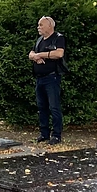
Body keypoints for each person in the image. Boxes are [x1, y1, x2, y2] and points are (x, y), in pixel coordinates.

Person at [29, 16, 66, 145]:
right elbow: (31, 53)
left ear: (49, 25)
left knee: (54, 106)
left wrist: (41, 55)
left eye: (41, 25)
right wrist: (35, 57)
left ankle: (56, 135)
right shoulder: (39, 40)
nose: (38, 27)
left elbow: (59, 54)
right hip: (40, 78)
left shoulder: (58, 38)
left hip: (52, 77)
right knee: (42, 106)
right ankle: (44, 133)